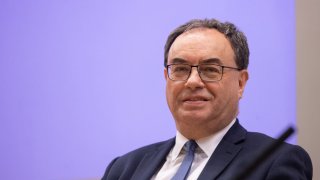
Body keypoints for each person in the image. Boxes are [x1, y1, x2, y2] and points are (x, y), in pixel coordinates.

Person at [101, 18, 313, 180]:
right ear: (166, 78)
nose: (192, 81)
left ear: (241, 83)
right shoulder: (124, 168)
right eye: (181, 69)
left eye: (210, 70)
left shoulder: (274, 161)